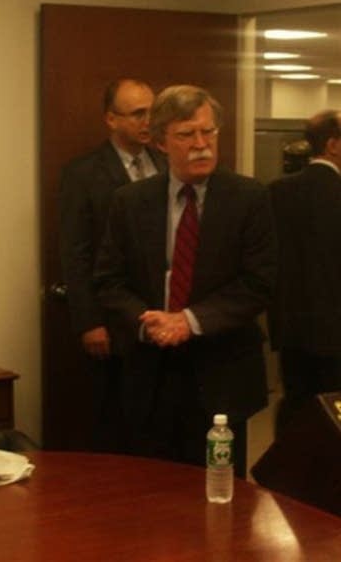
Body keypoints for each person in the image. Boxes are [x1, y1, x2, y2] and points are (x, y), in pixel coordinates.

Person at [94, 85, 276, 476]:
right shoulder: (130, 201)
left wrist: (188, 321)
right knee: (150, 492)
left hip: (222, 372)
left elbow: (259, 284)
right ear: (160, 142)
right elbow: (109, 281)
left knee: (219, 495)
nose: (201, 145)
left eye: (208, 132)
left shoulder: (249, 198)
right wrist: (148, 322)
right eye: (186, 135)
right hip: (150, 374)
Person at [59, 78, 167, 452]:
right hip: (113, 317)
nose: (148, 122)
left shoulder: (167, 164)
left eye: (152, 112)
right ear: (110, 119)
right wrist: (88, 320)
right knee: (118, 422)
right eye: (138, 113)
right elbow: (76, 251)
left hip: (165, 317)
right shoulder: (84, 173)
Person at [269, 110, 341, 435]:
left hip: (292, 330)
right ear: (333, 145)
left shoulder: (277, 192)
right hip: (336, 336)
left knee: (297, 411)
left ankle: (287, 482)